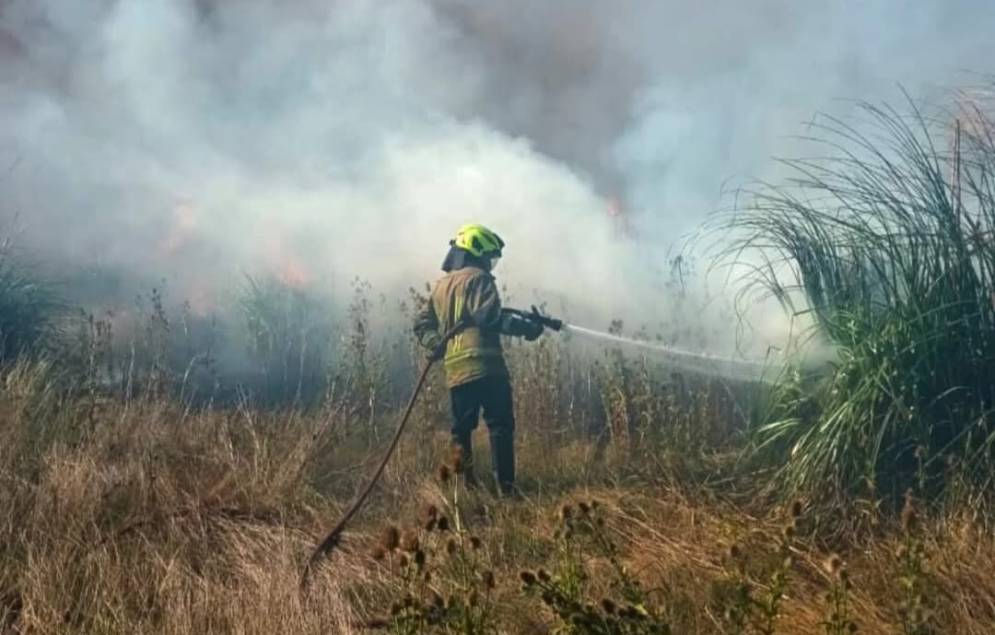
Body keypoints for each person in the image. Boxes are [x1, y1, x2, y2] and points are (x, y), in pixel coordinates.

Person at [414, 223, 546, 496]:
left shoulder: (440, 286)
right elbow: (490, 318)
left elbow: (421, 324)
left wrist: (436, 344)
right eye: (488, 256)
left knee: (461, 430)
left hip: (457, 372)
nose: (490, 263)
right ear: (476, 253)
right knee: (500, 425)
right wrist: (527, 329)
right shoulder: (480, 279)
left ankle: (466, 490)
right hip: (488, 368)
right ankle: (506, 491)